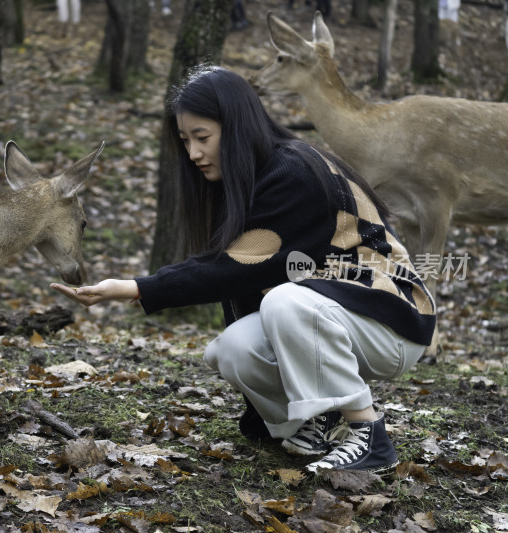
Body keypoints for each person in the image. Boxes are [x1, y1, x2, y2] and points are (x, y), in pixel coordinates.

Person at [51, 65, 436, 474]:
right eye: (185, 140)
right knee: (230, 349)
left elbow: (230, 269)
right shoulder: (250, 178)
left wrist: (135, 287)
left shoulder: (293, 172)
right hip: (338, 317)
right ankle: (318, 420)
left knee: (286, 303)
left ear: (235, 127)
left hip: (391, 322)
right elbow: (242, 283)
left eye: (203, 137)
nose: (194, 153)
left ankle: (370, 436)